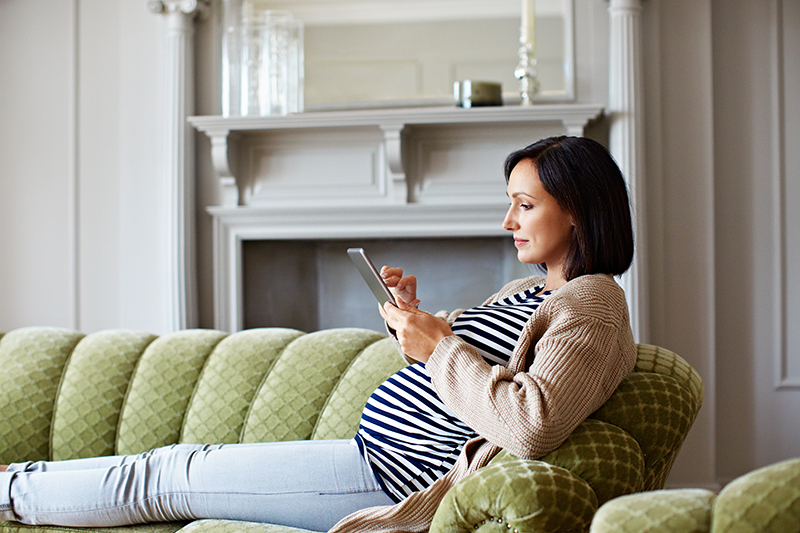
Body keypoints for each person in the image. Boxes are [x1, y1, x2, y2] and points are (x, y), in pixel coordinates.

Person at [0, 136, 637, 533]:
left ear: (578, 209)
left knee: (170, 474)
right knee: (175, 467)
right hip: (376, 458)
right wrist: (411, 320)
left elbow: (531, 422)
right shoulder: (532, 291)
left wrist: (438, 343)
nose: (507, 221)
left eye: (525, 205)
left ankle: (9, 490)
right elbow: (469, 372)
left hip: (393, 480)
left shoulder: (595, 305)